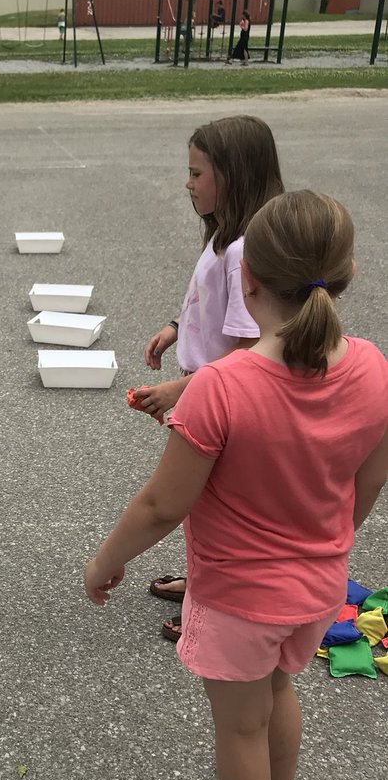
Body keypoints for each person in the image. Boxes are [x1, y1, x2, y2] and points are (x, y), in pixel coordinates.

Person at [85, 190, 388, 780]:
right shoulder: (373, 368)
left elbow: (163, 503)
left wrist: (105, 562)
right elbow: (368, 483)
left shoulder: (222, 386)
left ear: (246, 281)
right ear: (346, 273)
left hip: (239, 598)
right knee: (281, 691)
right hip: (319, 585)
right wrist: (330, 541)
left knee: (241, 726)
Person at [136, 116, 284, 640]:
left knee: (217, 505)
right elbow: (207, 300)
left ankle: (211, 603)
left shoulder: (246, 250)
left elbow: (249, 349)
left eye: (197, 173)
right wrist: (177, 327)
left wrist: (179, 389)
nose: (188, 183)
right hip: (210, 387)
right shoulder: (226, 232)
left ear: (234, 176)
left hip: (227, 397)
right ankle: (201, 579)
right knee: (200, 500)